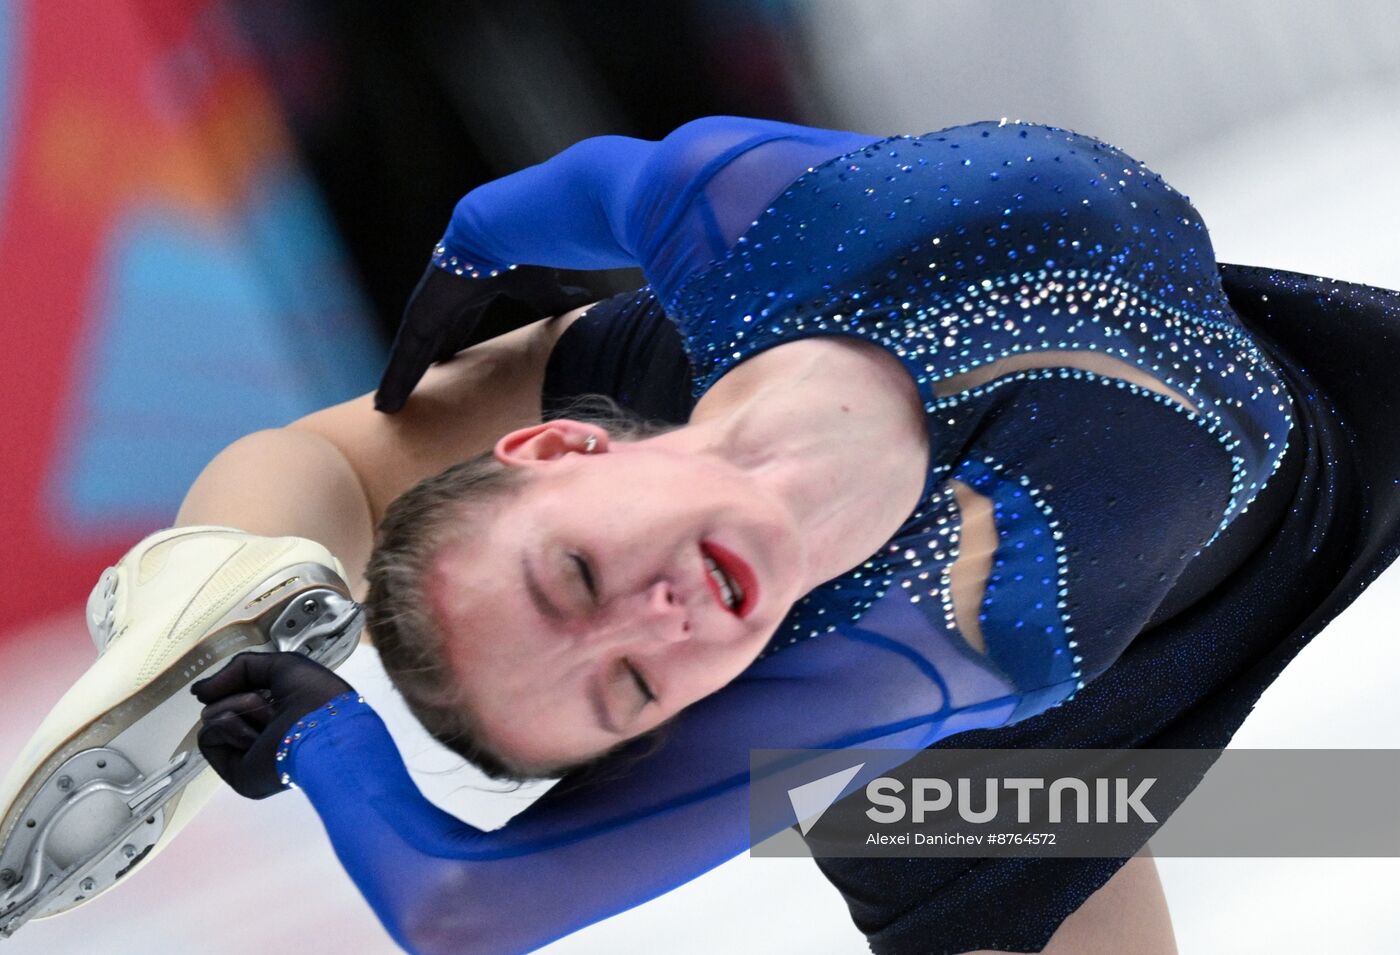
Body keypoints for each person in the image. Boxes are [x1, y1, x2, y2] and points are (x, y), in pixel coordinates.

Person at [3, 114, 1392, 954]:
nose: (658, 620)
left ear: (563, 444)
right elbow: (561, 192)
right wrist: (467, 261)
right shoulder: (745, 220)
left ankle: (242, 564)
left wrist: (323, 734)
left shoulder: (924, 638)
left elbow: (461, 911)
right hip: (953, 589)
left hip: (1154, 549)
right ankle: (271, 580)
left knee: (353, 458)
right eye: (631, 691)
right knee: (373, 455)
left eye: (576, 582)